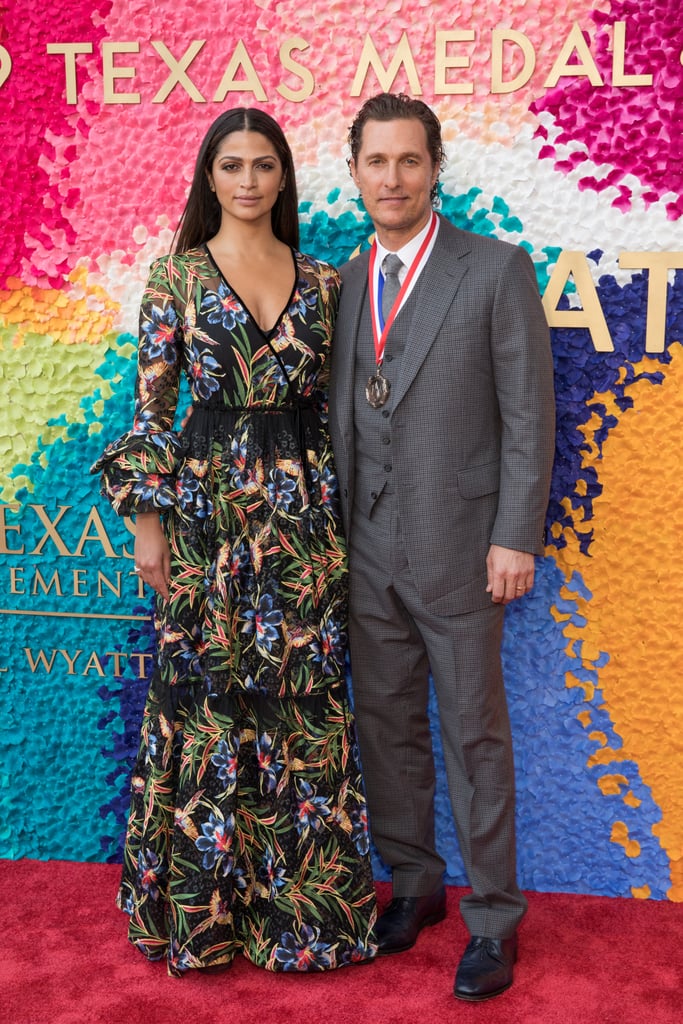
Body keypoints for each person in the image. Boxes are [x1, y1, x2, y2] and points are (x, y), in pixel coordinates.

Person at [91, 107, 377, 976]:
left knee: (303, 706)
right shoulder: (173, 278)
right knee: (208, 705)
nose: (248, 180)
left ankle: (306, 920)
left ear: (283, 176)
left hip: (302, 521)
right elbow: (149, 413)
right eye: (230, 165)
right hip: (207, 520)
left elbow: (348, 410)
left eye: (262, 164)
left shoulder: (326, 281)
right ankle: (203, 920)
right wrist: (148, 526)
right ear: (208, 178)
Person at [328, 93, 556, 1001]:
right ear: (354, 173)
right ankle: (414, 883)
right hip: (364, 547)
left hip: (464, 547)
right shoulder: (341, 282)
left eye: (408, 161)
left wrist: (513, 536)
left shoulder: (493, 269)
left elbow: (528, 416)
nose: (392, 178)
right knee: (384, 727)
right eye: (375, 162)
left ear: (434, 168)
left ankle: (494, 920)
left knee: (471, 733)